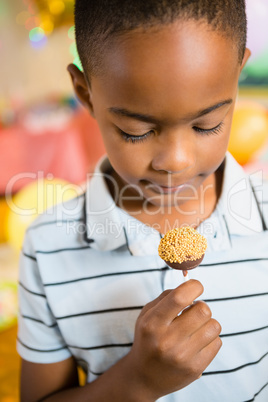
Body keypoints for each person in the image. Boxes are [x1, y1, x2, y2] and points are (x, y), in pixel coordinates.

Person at [17, 0, 268, 401]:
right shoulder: (48, 245)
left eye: (208, 124)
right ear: (86, 93)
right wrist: (137, 381)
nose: (176, 161)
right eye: (136, 131)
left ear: (237, 77)